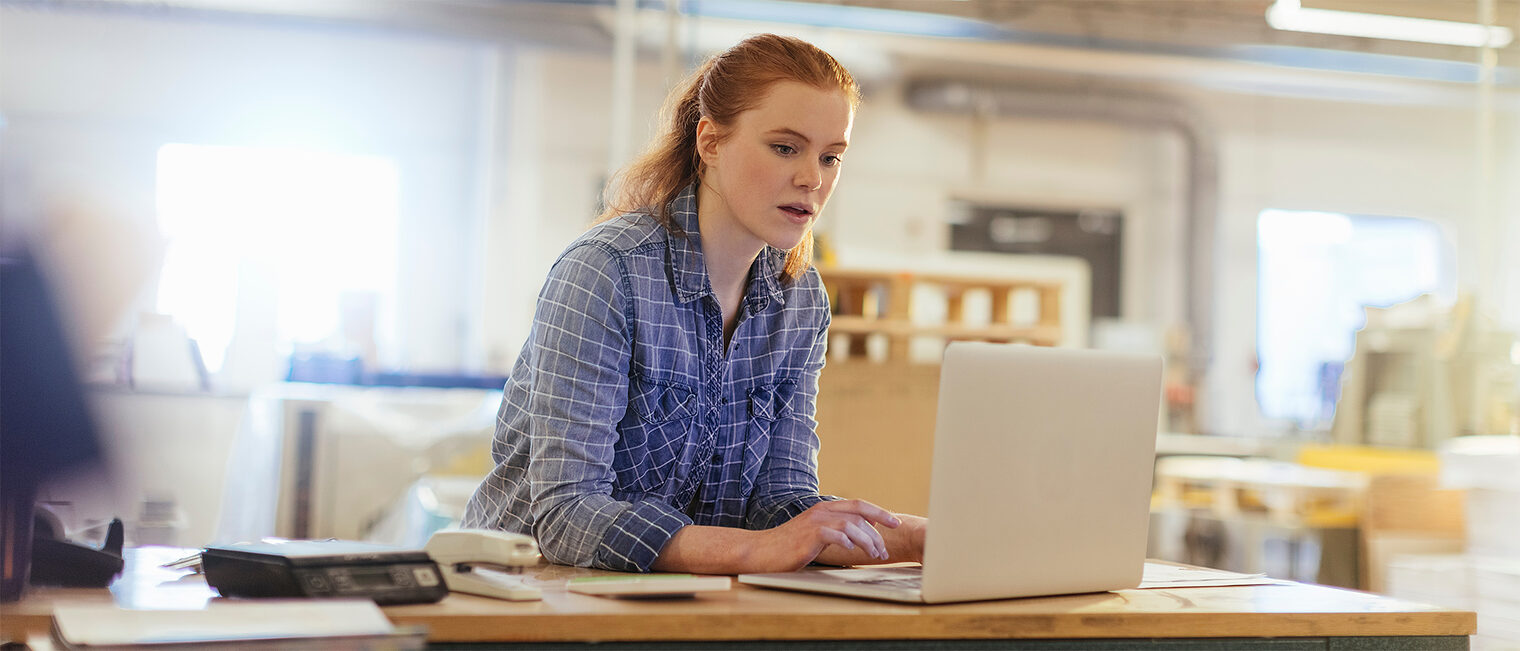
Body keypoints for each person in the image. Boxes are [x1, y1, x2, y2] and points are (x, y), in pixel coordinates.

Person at [462, 34, 926, 574]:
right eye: (784, 147)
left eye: (830, 157)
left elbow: (783, 502)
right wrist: (755, 549)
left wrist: (912, 538)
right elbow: (566, 516)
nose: (812, 178)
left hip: (668, 598)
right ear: (710, 142)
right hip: (524, 592)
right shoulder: (606, 271)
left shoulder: (801, 301)